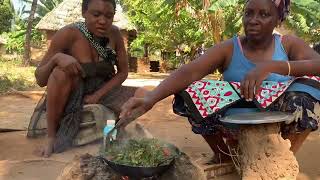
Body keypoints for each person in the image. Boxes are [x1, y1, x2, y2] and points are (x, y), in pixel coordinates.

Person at [120, 0, 320, 163]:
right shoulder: (229, 48)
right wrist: (151, 98)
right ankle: (224, 157)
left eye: (264, 14)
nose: (253, 20)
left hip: (277, 122)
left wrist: (274, 66)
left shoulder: (288, 44)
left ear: (278, 19)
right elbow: (189, 72)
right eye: (248, 13)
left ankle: (282, 160)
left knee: (307, 88)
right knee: (188, 91)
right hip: (233, 122)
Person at [32, 0, 137, 157]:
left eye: (109, 16)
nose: (102, 21)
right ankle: (52, 137)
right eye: (96, 14)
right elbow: (40, 79)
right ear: (84, 13)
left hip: (102, 91)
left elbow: (123, 73)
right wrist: (57, 59)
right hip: (73, 92)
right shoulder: (68, 34)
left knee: (145, 97)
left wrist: (98, 95)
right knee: (59, 73)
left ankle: (116, 129)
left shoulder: (115, 34)